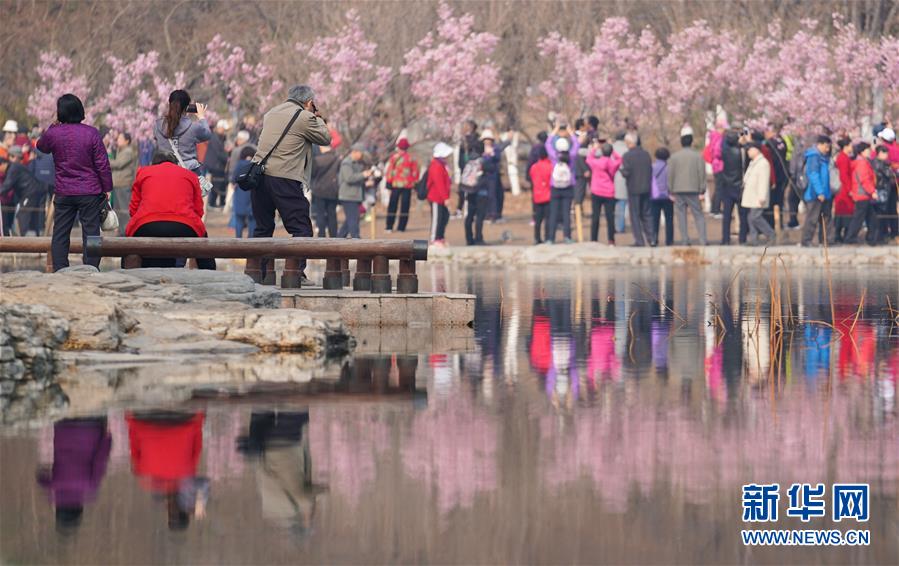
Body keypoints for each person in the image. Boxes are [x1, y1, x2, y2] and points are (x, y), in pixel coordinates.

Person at [252, 85, 331, 282]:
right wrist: (318, 117)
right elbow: (326, 138)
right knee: (301, 227)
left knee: (263, 228)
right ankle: (295, 273)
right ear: (309, 102)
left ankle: (258, 273)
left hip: (259, 176)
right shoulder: (305, 117)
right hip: (284, 177)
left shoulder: (271, 113)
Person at [37, 94, 112, 271]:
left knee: (60, 233)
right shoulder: (91, 133)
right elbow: (102, 164)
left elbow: (41, 146)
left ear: (60, 113)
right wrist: (107, 187)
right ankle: (91, 268)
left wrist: (52, 127)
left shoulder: (54, 134)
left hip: (64, 191)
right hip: (89, 191)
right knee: (92, 234)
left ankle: (61, 268)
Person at [126, 150, 215, 269]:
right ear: (175, 163)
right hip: (185, 224)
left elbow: (133, 209)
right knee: (204, 247)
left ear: (153, 163)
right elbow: (198, 210)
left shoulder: (143, 173)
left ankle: (127, 272)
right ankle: (210, 275)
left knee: (128, 245)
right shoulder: (190, 175)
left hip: (146, 224)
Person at [126, 411, 207, 531]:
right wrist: (130, 417)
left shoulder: (188, 476)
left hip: (184, 418)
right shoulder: (146, 480)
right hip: (144, 417)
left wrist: (199, 416)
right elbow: (134, 442)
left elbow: (197, 444)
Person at [36, 417, 112, 533]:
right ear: (58, 509)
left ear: (79, 510)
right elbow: (40, 478)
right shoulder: (54, 486)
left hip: (92, 426)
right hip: (63, 425)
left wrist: (107, 439)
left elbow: (100, 460)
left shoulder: (91, 487)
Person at [154, 90, 210, 178]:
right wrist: (201, 117)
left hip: (164, 174)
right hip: (188, 174)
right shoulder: (193, 127)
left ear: (170, 104)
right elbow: (207, 134)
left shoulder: (158, 126)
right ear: (187, 107)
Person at [466, 129, 508, 245]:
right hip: (479, 184)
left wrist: (492, 154)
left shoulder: (495, 149)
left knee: (492, 195)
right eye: (486, 139)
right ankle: (475, 237)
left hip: (492, 177)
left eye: (489, 139)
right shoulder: (477, 156)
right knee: (476, 210)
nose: (488, 141)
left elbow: (497, 159)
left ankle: (493, 214)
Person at [668, 128, 708, 246]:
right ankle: (702, 239)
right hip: (693, 189)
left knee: (681, 216)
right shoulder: (698, 156)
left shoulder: (674, 157)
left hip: (678, 189)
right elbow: (702, 173)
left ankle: (685, 240)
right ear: (691, 141)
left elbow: (670, 174)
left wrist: (670, 189)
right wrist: (702, 188)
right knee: (698, 215)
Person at [1, 146, 51, 235]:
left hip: (30, 192)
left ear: (3, 164)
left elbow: (7, 185)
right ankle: (34, 237)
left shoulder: (13, 168)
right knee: (32, 217)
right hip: (34, 191)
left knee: (22, 214)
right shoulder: (14, 167)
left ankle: (26, 241)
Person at [799, 135, 834, 247]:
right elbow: (813, 175)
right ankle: (806, 241)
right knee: (812, 218)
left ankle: (825, 240)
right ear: (819, 144)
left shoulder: (824, 157)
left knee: (826, 218)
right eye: (826, 146)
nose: (827, 149)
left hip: (825, 193)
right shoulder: (814, 157)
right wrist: (819, 192)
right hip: (815, 194)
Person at [619, 132, 654, 246]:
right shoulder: (646, 154)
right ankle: (652, 238)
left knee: (635, 215)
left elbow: (627, 172)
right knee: (647, 214)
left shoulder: (627, 156)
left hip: (633, 188)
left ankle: (639, 240)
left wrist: (621, 170)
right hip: (646, 187)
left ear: (629, 143)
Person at [585, 142, 621, 245]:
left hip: (596, 191)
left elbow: (588, 158)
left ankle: (594, 238)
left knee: (595, 216)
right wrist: (612, 150)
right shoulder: (612, 163)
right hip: (609, 192)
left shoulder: (596, 162)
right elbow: (619, 159)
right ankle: (611, 239)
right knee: (610, 217)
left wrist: (595, 149)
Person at [742, 142, 776, 246]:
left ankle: (771, 234)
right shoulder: (754, 162)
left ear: (756, 150)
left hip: (758, 196)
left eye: (750, 150)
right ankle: (753, 239)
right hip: (752, 195)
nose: (748, 152)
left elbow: (763, 181)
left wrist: (762, 196)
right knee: (751, 217)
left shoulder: (763, 163)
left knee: (755, 217)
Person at [844, 142, 878, 245]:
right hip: (862, 195)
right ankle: (851, 238)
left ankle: (870, 239)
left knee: (869, 218)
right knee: (860, 218)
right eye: (868, 150)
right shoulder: (862, 163)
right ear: (862, 151)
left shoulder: (862, 161)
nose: (870, 152)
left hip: (863, 195)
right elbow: (864, 180)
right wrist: (872, 192)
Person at [384, 138, 419, 233]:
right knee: (405, 206)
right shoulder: (411, 158)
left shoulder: (394, 158)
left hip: (395, 184)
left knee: (392, 205)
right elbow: (415, 172)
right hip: (407, 185)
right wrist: (415, 184)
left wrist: (388, 182)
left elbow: (390, 171)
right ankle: (401, 227)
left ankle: (389, 226)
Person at [719, 130, 747, 245]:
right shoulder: (741, 152)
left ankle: (725, 239)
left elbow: (723, 144)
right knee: (743, 215)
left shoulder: (724, 152)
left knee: (726, 216)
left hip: (727, 186)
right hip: (739, 186)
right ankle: (742, 238)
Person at [338, 143, 369, 239]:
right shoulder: (346, 163)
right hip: (348, 196)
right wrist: (363, 175)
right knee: (353, 220)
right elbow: (349, 178)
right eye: (361, 153)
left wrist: (367, 180)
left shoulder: (358, 163)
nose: (362, 155)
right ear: (355, 152)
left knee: (350, 220)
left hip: (356, 196)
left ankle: (338, 238)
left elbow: (357, 178)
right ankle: (356, 239)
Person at [547, 138, 575, 243]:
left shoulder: (554, 157)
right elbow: (576, 144)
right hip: (568, 187)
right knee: (566, 214)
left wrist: (555, 129)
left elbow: (548, 144)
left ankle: (551, 238)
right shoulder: (571, 157)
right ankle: (567, 237)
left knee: (553, 213)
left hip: (555, 187)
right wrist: (570, 132)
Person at [109, 132, 138, 235]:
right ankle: (121, 232)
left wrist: (106, 160)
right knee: (118, 211)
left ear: (127, 141)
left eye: (120, 138)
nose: (118, 140)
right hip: (118, 184)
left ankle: (126, 231)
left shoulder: (128, 152)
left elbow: (118, 164)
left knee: (124, 211)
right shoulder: (121, 151)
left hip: (124, 184)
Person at [310, 143, 340, 238]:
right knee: (332, 214)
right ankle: (334, 236)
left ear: (322, 148)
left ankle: (321, 235)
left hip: (319, 190)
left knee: (320, 214)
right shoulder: (337, 159)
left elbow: (312, 174)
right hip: (333, 190)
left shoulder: (317, 160)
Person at [427, 142, 453, 246]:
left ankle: (440, 237)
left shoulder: (442, 165)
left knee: (445, 217)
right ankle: (434, 239)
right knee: (437, 218)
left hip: (442, 197)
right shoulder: (436, 166)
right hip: (436, 197)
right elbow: (439, 184)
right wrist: (445, 197)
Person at [764, 124, 789, 229]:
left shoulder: (769, 143)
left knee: (771, 202)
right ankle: (779, 224)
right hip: (782, 176)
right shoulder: (782, 141)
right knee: (779, 203)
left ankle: (770, 225)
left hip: (773, 177)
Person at [875, 128, 898, 240]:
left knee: (883, 210)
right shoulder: (897, 148)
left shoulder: (882, 150)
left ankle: (884, 233)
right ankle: (894, 231)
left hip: (884, 187)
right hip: (894, 184)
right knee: (893, 209)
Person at [229, 146, 257, 238]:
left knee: (239, 220)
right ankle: (251, 239)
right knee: (252, 220)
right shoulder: (255, 165)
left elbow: (233, 179)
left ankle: (238, 238)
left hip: (240, 195)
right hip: (253, 195)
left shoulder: (239, 164)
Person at [456, 120, 481, 217]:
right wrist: (462, 166)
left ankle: (470, 210)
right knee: (463, 189)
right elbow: (460, 155)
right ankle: (460, 208)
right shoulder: (464, 140)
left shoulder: (477, 140)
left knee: (472, 189)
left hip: (474, 167)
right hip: (465, 167)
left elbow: (478, 152)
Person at [529, 145, 553, 244]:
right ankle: (547, 237)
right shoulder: (550, 166)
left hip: (537, 196)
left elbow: (532, 178)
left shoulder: (534, 167)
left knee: (537, 219)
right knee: (548, 218)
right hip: (547, 195)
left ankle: (537, 238)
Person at [704, 116, 728, 216]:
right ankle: (716, 210)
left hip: (715, 165)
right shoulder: (719, 138)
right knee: (720, 188)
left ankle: (714, 208)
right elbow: (718, 152)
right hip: (720, 165)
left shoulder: (713, 136)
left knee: (718, 187)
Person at [873, 145, 897, 243]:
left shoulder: (883, 163)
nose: (887, 155)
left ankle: (885, 234)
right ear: (880, 153)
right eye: (885, 153)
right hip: (882, 191)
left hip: (886, 190)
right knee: (883, 213)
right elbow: (889, 174)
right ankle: (883, 235)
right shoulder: (879, 163)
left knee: (886, 212)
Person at [650, 147, 673, 246]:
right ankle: (669, 240)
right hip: (667, 196)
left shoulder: (652, 167)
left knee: (654, 219)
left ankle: (654, 239)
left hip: (654, 196)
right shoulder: (669, 168)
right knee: (669, 219)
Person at [204, 120, 230, 208]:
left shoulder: (222, 138)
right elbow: (218, 153)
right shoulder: (214, 138)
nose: (224, 131)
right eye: (223, 129)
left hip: (217, 165)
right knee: (214, 184)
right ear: (219, 128)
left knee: (217, 183)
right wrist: (227, 158)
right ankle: (211, 203)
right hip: (214, 165)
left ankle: (213, 202)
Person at [833, 138, 855, 242]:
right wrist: (849, 189)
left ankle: (842, 234)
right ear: (846, 146)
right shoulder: (843, 158)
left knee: (845, 212)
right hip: (844, 190)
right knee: (844, 212)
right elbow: (844, 175)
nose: (852, 147)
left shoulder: (844, 157)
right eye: (850, 145)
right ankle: (840, 235)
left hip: (845, 189)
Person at [612, 132, 629, 233]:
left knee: (612, 206)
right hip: (624, 180)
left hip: (610, 179)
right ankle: (620, 227)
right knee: (622, 205)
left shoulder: (611, 148)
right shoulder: (627, 149)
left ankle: (613, 225)